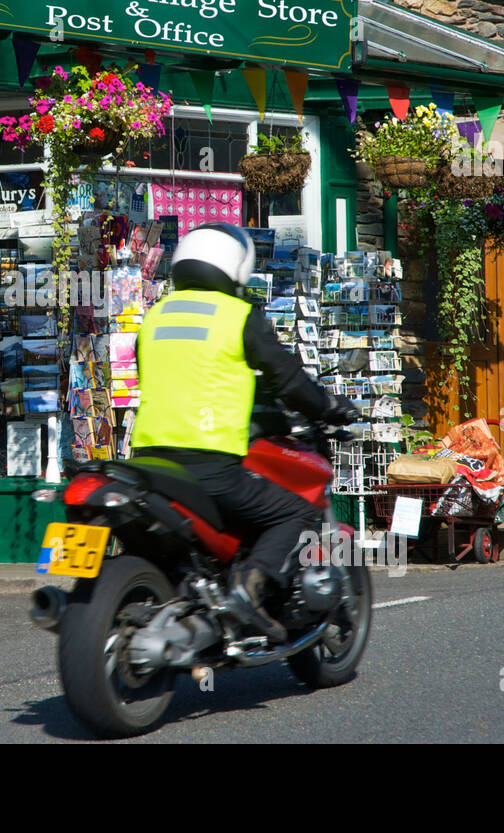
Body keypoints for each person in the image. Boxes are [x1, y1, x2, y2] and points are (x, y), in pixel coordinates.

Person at [131, 223, 358, 642]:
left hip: (148, 460)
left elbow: (166, 377)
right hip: (210, 462)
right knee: (296, 511)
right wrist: (326, 406)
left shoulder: (155, 316)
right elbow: (287, 379)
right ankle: (248, 588)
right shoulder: (239, 317)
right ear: (235, 268)